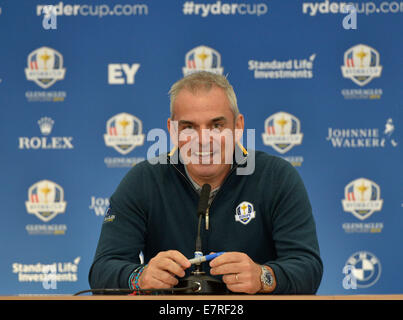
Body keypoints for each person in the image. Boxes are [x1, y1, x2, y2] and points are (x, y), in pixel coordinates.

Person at [89, 71, 323, 294]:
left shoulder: (276, 177)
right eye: (189, 127)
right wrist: (139, 277)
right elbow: (102, 271)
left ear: (238, 127)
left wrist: (263, 277)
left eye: (217, 126)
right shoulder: (143, 180)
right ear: (172, 130)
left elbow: (308, 267)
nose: (203, 140)